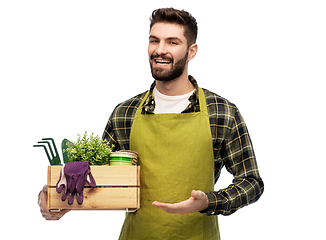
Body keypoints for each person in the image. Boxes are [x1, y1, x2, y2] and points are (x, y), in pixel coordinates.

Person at [39, 8, 264, 239]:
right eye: (154, 40)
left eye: (172, 42)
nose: (160, 49)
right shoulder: (124, 114)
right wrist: (56, 197)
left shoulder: (222, 112)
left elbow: (252, 182)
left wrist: (209, 201)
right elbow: (96, 179)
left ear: (191, 51)